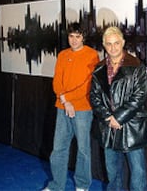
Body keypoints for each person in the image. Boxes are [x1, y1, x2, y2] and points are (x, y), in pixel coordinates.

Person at [90, 26, 147, 191]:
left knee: (138, 174)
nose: (113, 47)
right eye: (109, 44)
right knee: (113, 174)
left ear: (123, 43)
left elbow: (139, 96)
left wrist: (119, 117)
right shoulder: (98, 68)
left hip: (132, 128)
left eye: (116, 43)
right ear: (104, 45)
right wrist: (109, 118)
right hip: (108, 128)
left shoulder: (136, 65)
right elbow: (94, 97)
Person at [45, 23, 99, 191]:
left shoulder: (92, 55)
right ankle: (56, 186)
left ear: (83, 37)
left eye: (77, 36)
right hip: (62, 107)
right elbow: (57, 81)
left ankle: (82, 186)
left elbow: (88, 85)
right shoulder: (62, 55)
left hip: (82, 109)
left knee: (83, 149)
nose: (74, 40)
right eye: (71, 36)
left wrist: (68, 99)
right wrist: (64, 100)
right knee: (58, 149)